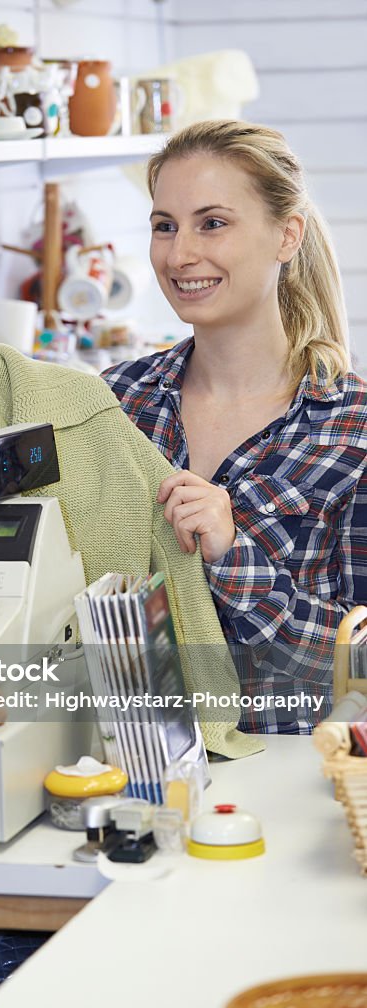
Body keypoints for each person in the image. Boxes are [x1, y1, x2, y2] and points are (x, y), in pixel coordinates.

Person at [102, 119, 367, 734]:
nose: (179, 254)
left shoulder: (353, 431)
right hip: (136, 773)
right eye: (164, 225)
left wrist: (232, 556)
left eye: (212, 223)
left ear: (286, 235)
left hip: (295, 793)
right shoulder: (117, 402)